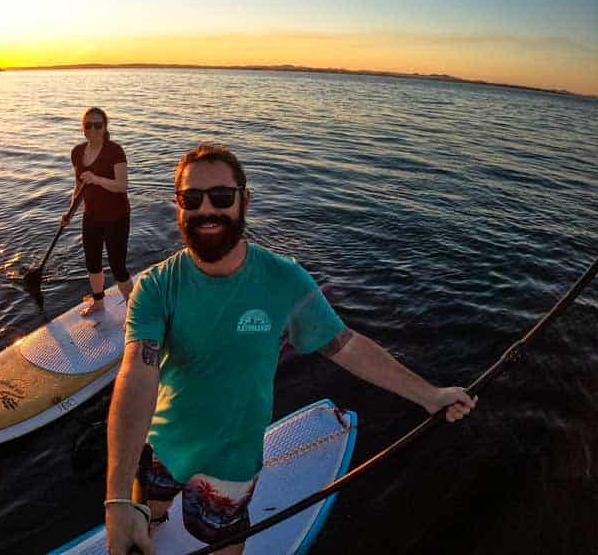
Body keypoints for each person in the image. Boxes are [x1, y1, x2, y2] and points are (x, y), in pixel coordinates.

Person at [104, 143, 477, 555]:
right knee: (149, 513)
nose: (206, 209)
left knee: (221, 544)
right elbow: (137, 373)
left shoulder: (285, 280)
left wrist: (429, 395)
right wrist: (118, 498)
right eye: (191, 198)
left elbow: (346, 345)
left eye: (222, 197)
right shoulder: (156, 286)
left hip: (231, 463)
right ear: (178, 206)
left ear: (245, 200)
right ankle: (149, 521)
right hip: (161, 443)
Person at [62, 107, 133, 316]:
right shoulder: (77, 152)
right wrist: (69, 213)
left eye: (97, 125)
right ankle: (99, 302)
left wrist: (97, 179)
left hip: (116, 217)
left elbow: (122, 185)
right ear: (82, 128)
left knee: (117, 266)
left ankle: (133, 310)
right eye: (88, 125)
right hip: (91, 215)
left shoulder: (115, 151)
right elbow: (79, 187)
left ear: (104, 128)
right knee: (92, 262)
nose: (93, 129)